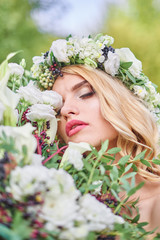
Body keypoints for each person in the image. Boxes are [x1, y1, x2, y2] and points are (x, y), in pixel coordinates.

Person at [32, 34, 160, 237]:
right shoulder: (56, 207)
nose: (66, 110)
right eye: (57, 109)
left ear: (119, 99)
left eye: (84, 93)